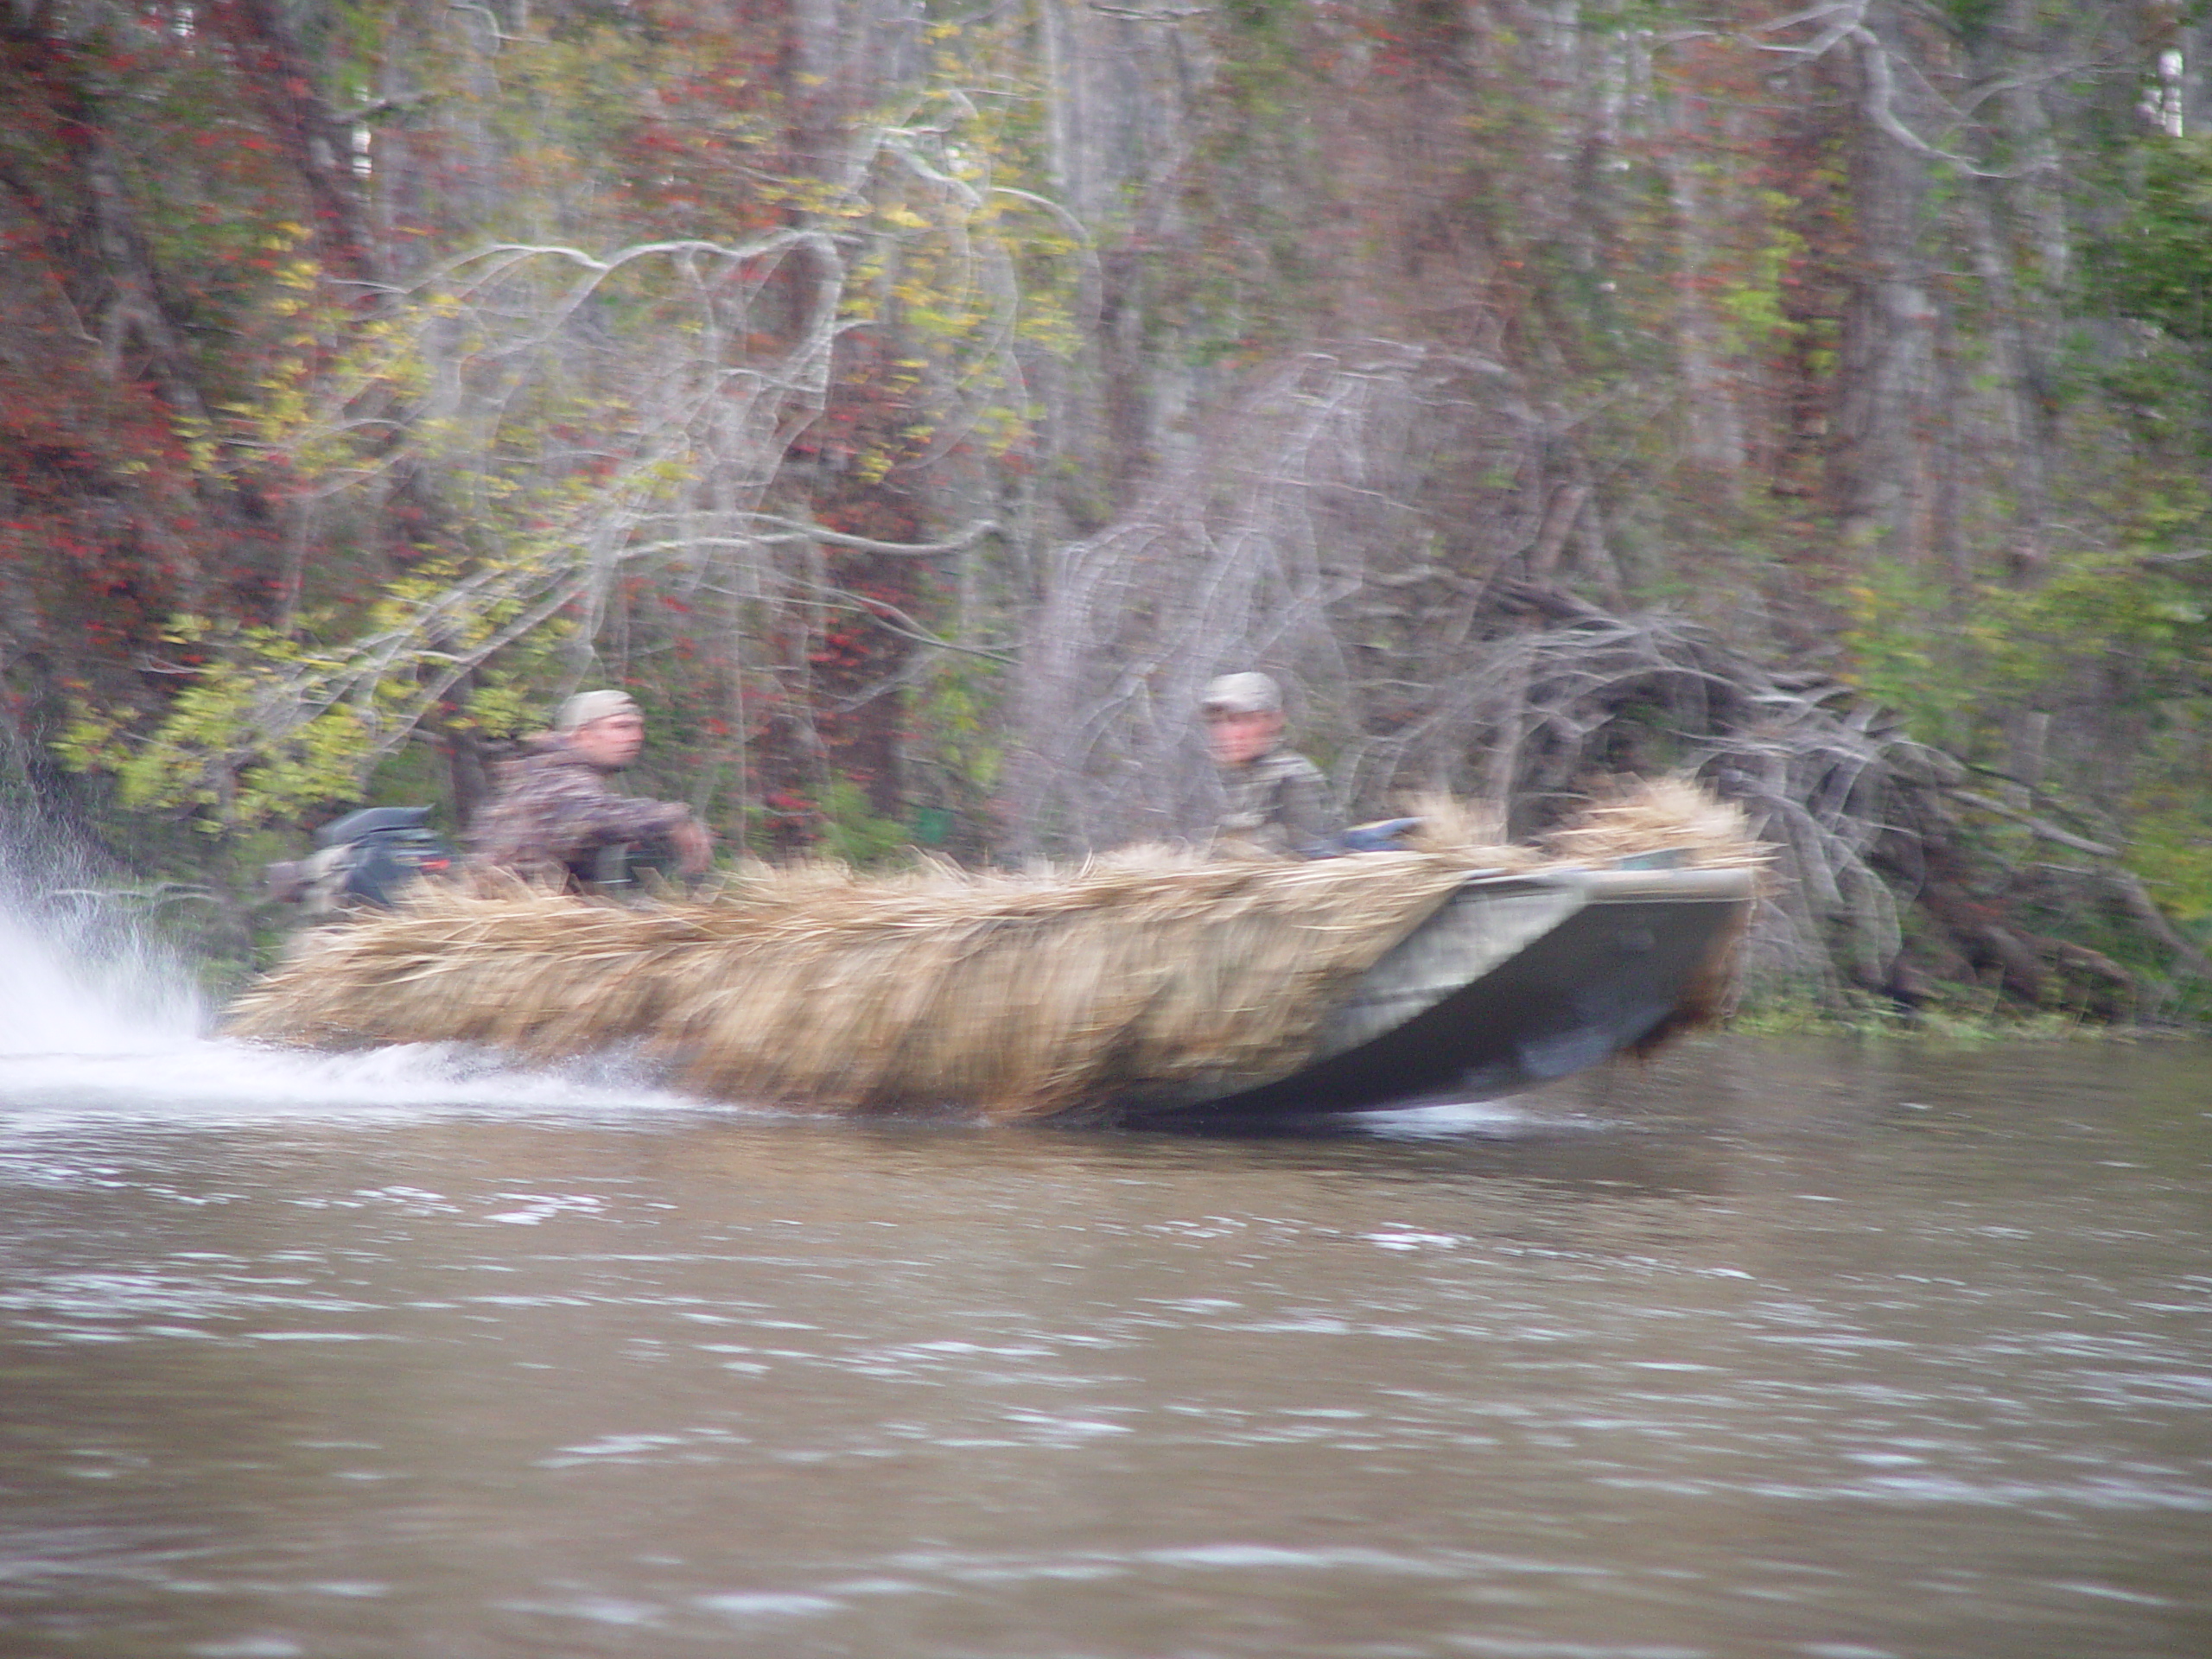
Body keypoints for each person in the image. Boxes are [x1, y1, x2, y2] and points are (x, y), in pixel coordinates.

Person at [471, 690, 713, 888]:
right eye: (622, 727)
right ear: (584, 735)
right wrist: (672, 820)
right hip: (519, 922)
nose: (636, 736)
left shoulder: (554, 771)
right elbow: (590, 817)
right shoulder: (552, 776)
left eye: (638, 727)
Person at [1202, 671, 1337, 857]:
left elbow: (1318, 862)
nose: (1231, 733)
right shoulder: (1233, 778)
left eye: (1246, 721)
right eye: (1217, 722)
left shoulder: (1292, 778)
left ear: (1274, 721)